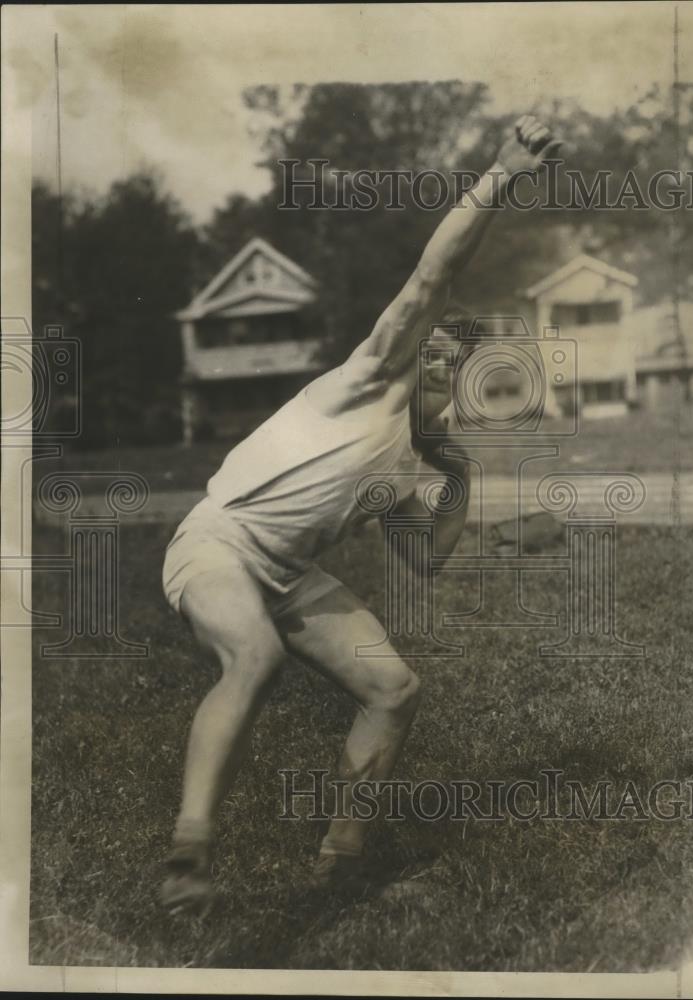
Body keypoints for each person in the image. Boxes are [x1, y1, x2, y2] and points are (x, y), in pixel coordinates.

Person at [160, 115, 563, 913]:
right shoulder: (375, 372)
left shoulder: (414, 451)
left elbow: (423, 558)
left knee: (393, 688)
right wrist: (502, 172)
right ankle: (187, 858)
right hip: (218, 539)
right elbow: (432, 274)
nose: (446, 376)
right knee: (253, 657)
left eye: (460, 370)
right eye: (439, 358)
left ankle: (340, 860)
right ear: (417, 352)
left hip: (284, 570)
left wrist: (459, 479)